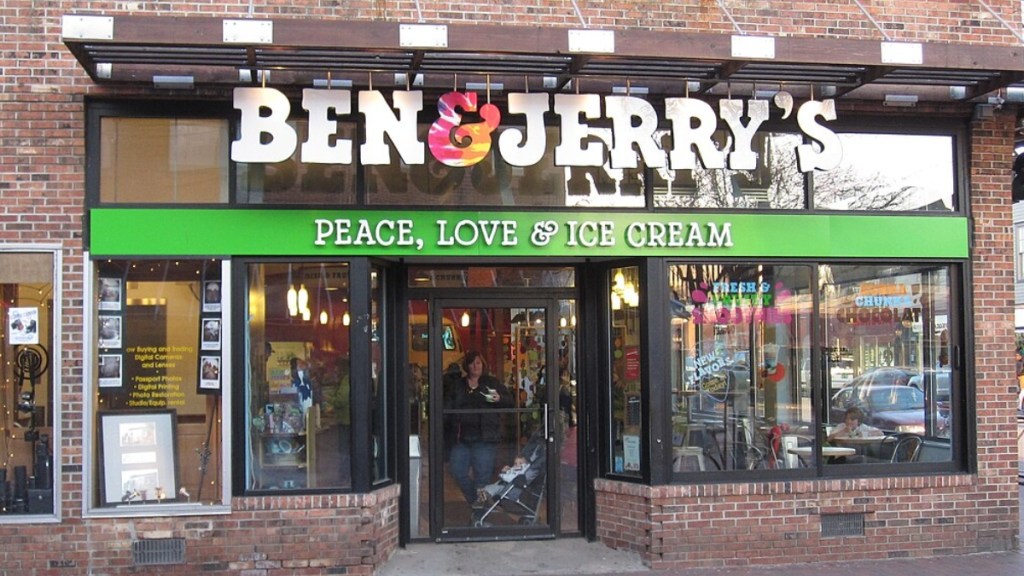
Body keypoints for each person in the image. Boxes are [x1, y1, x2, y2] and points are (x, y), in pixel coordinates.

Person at [448, 351, 512, 508]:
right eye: (471, 363)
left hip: (485, 438)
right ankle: (476, 502)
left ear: (483, 365)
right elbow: (449, 406)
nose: (475, 366)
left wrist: (499, 399)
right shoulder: (459, 385)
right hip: (462, 437)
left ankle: (481, 513)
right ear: (466, 366)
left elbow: (510, 402)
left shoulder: (492, 383)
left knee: (482, 478)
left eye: (478, 362)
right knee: (457, 471)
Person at [479, 427, 546, 505]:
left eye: (520, 463)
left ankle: (484, 494)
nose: (517, 465)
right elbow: (508, 475)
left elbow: (525, 475)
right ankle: (484, 494)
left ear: (525, 463)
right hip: (506, 485)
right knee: (493, 487)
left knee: (495, 488)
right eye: (515, 463)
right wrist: (506, 471)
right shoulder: (517, 467)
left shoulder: (526, 469)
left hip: (512, 489)